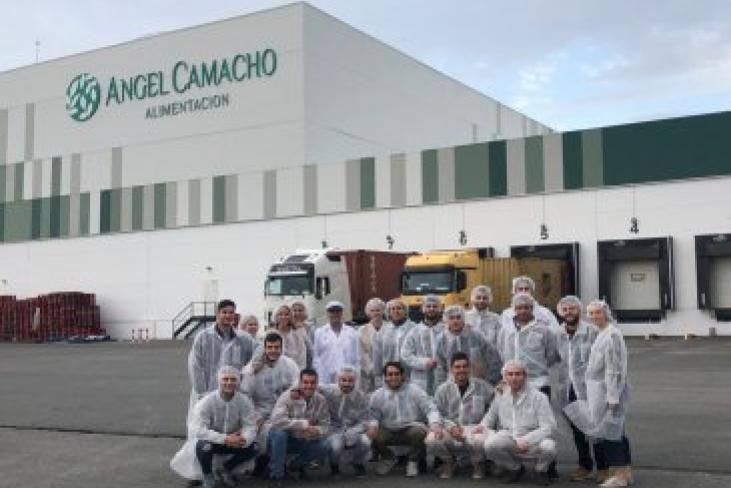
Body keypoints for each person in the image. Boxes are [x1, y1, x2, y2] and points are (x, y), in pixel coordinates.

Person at [564, 301, 633, 487]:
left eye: (598, 313)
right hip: (599, 390)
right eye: (591, 313)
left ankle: (619, 476)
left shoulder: (612, 335)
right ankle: (625, 472)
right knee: (615, 431)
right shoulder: (602, 333)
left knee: (611, 433)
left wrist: (612, 395)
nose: (594, 316)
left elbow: (614, 369)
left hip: (607, 392)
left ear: (606, 313)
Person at [170, 366, 259, 488]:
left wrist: (244, 439)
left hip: (234, 441)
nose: (229, 382)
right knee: (204, 446)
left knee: (255, 447)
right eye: (225, 379)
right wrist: (225, 438)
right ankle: (208, 476)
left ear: (238, 382)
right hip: (212, 442)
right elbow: (198, 429)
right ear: (219, 381)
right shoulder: (206, 401)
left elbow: (250, 425)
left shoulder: (243, 401)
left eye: (233, 379)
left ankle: (225, 469)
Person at [481, 360, 557, 486]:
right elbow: (490, 416)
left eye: (518, 374)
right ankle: (515, 468)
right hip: (510, 438)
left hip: (534, 440)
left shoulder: (539, 397)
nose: (514, 378)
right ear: (504, 377)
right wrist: (481, 427)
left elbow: (549, 427)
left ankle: (540, 470)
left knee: (549, 447)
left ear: (525, 376)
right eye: (510, 374)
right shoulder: (501, 395)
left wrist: (527, 439)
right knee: (490, 445)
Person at [554, 296, 604, 482]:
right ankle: (585, 465)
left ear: (579, 310)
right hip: (568, 388)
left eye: (572, 308)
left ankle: (603, 467)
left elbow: (603, 360)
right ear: (561, 312)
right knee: (577, 429)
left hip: (590, 388)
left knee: (595, 428)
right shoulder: (557, 334)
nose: (569, 312)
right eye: (565, 309)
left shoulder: (592, 331)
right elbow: (553, 358)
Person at [366, 361, 443, 478]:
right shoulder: (378, 395)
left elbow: (430, 407)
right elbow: (373, 415)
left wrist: (435, 423)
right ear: (385, 377)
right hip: (388, 429)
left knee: (419, 432)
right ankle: (388, 458)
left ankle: (413, 461)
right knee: (373, 433)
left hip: (410, 428)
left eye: (396, 374)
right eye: (390, 374)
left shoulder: (415, 390)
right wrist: (372, 426)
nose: (393, 377)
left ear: (402, 375)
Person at [187, 300, 251, 435]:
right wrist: (202, 393)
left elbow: (249, 363)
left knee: (230, 426)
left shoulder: (243, 339)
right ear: (217, 314)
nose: (228, 315)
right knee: (203, 427)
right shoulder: (203, 337)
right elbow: (195, 366)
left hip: (231, 392)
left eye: (231, 312)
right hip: (207, 391)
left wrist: (242, 389)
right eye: (224, 312)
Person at [428, 352, 494, 480]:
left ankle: (478, 464)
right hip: (451, 429)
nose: (461, 370)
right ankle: (449, 463)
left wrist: (482, 425)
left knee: (480, 438)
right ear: (451, 369)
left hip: (475, 429)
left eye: (464, 366)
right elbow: (436, 412)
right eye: (457, 367)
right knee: (432, 439)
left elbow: (494, 408)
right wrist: (451, 427)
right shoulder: (443, 389)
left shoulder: (483, 386)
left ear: (469, 368)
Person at [268, 368, 331, 487]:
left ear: (317, 383)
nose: (309, 386)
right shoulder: (287, 396)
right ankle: (277, 475)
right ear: (300, 382)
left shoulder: (321, 400)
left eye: (312, 382)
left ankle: (294, 466)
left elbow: (326, 425)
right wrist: (302, 425)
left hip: (304, 439)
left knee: (326, 445)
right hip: (284, 439)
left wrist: (316, 430)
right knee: (279, 434)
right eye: (305, 382)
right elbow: (276, 421)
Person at [240, 333, 299, 450]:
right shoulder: (253, 368)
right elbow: (245, 396)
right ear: (264, 348)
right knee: (275, 437)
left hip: (285, 412)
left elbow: (297, 387)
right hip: (261, 415)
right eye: (270, 347)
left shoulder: (289, 365)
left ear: (282, 348)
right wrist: (256, 417)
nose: (273, 350)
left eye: (276, 347)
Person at [495, 293, 560, 393]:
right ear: (513, 309)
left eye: (526, 307)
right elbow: (500, 352)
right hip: (511, 382)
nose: (523, 311)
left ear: (532, 309)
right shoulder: (506, 330)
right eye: (519, 308)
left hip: (538, 382)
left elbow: (552, 357)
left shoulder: (543, 330)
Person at [320, 366, 371, 477]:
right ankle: (334, 465)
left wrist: (352, 432)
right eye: (343, 380)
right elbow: (309, 384)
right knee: (336, 445)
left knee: (366, 441)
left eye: (350, 380)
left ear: (355, 381)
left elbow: (365, 421)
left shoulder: (361, 397)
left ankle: (357, 463)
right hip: (333, 429)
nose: (347, 384)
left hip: (353, 429)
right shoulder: (328, 390)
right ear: (337, 380)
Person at [435, 305, 502, 386]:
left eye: (458, 317)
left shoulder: (477, 336)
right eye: (451, 318)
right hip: (452, 385)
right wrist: (441, 386)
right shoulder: (442, 339)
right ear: (446, 320)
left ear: (464, 319)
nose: (455, 321)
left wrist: (489, 382)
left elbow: (494, 359)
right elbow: (439, 367)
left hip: (477, 383)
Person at [401, 295, 446, 395]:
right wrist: (423, 363)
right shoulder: (414, 331)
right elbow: (405, 354)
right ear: (422, 309)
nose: (431, 309)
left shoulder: (446, 330)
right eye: (428, 306)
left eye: (435, 306)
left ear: (440, 309)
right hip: (420, 379)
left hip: (443, 378)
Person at [313, 300, 360, 384]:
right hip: (326, 377)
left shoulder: (352, 332)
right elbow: (316, 357)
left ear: (342, 313)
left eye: (338, 311)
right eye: (332, 311)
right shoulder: (319, 332)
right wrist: (320, 376)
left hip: (347, 377)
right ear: (327, 313)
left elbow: (357, 356)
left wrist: (355, 374)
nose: (335, 314)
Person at [372, 298, 416, 387]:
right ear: (389, 312)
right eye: (393, 309)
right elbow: (377, 355)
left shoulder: (414, 328)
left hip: (410, 375)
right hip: (389, 376)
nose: (396, 311)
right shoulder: (383, 331)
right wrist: (378, 376)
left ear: (405, 311)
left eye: (399, 308)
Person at [264, 304, 312, 370]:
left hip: (297, 369)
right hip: (275, 370)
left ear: (290, 316)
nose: (283, 317)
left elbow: (305, 353)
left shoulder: (299, 332)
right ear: (276, 316)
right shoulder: (270, 333)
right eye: (280, 314)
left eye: (286, 314)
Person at [358, 297, 386, 393]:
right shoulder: (362, 330)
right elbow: (361, 352)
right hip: (368, 373)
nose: (375, 313)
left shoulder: (390, 328)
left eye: (378, 310)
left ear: (383, 311)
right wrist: (370, 368)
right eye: (372, 310)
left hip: (388, 371)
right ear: (368, 313)